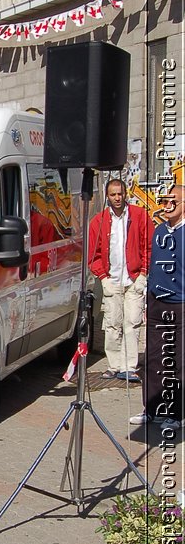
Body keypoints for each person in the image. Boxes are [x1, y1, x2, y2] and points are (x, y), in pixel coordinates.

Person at [88, 178, 153, 381]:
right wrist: (103, 277)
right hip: (111, 279)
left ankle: (129, 366)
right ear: (107, 196)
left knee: (132, 322)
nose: (117, 198)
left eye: (120, 193)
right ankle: (114, 365)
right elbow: (93, 255)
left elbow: (149, 247)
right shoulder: (98, 221)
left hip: (134, 279)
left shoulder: (140, 216)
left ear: (126, 194)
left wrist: (143, 273)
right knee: (112, 323)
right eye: (113, 194)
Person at [131, 184, 185, 428]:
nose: (168, 205)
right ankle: (151, 409)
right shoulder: (159, 231)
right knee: (153, 359)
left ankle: (175, 414)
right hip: (156, 302)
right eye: (166, 201)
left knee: (177, 361)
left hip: (180, 304)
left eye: (174, 201)